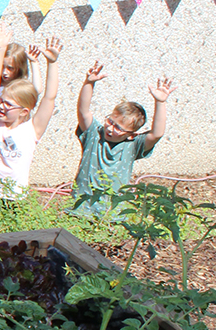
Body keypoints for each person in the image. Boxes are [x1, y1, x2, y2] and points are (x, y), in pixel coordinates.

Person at [69, 61, 175, 217]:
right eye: (110, 121)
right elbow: (83, 111)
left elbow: (157, 134)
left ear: (131, 135)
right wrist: (89, 83)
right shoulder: (94, 135)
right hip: (80, 209)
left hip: (113, 214)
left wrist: (160, 102)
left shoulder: (133, 145)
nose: (111, 128)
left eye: (119, 128)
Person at [0, 25, 61, 204]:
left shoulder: (31, 131)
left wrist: (52, 63)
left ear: (24, 111)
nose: (1, 106)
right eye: (1, 101)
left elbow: (49, 97)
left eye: (9, 104)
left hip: (12, 198)